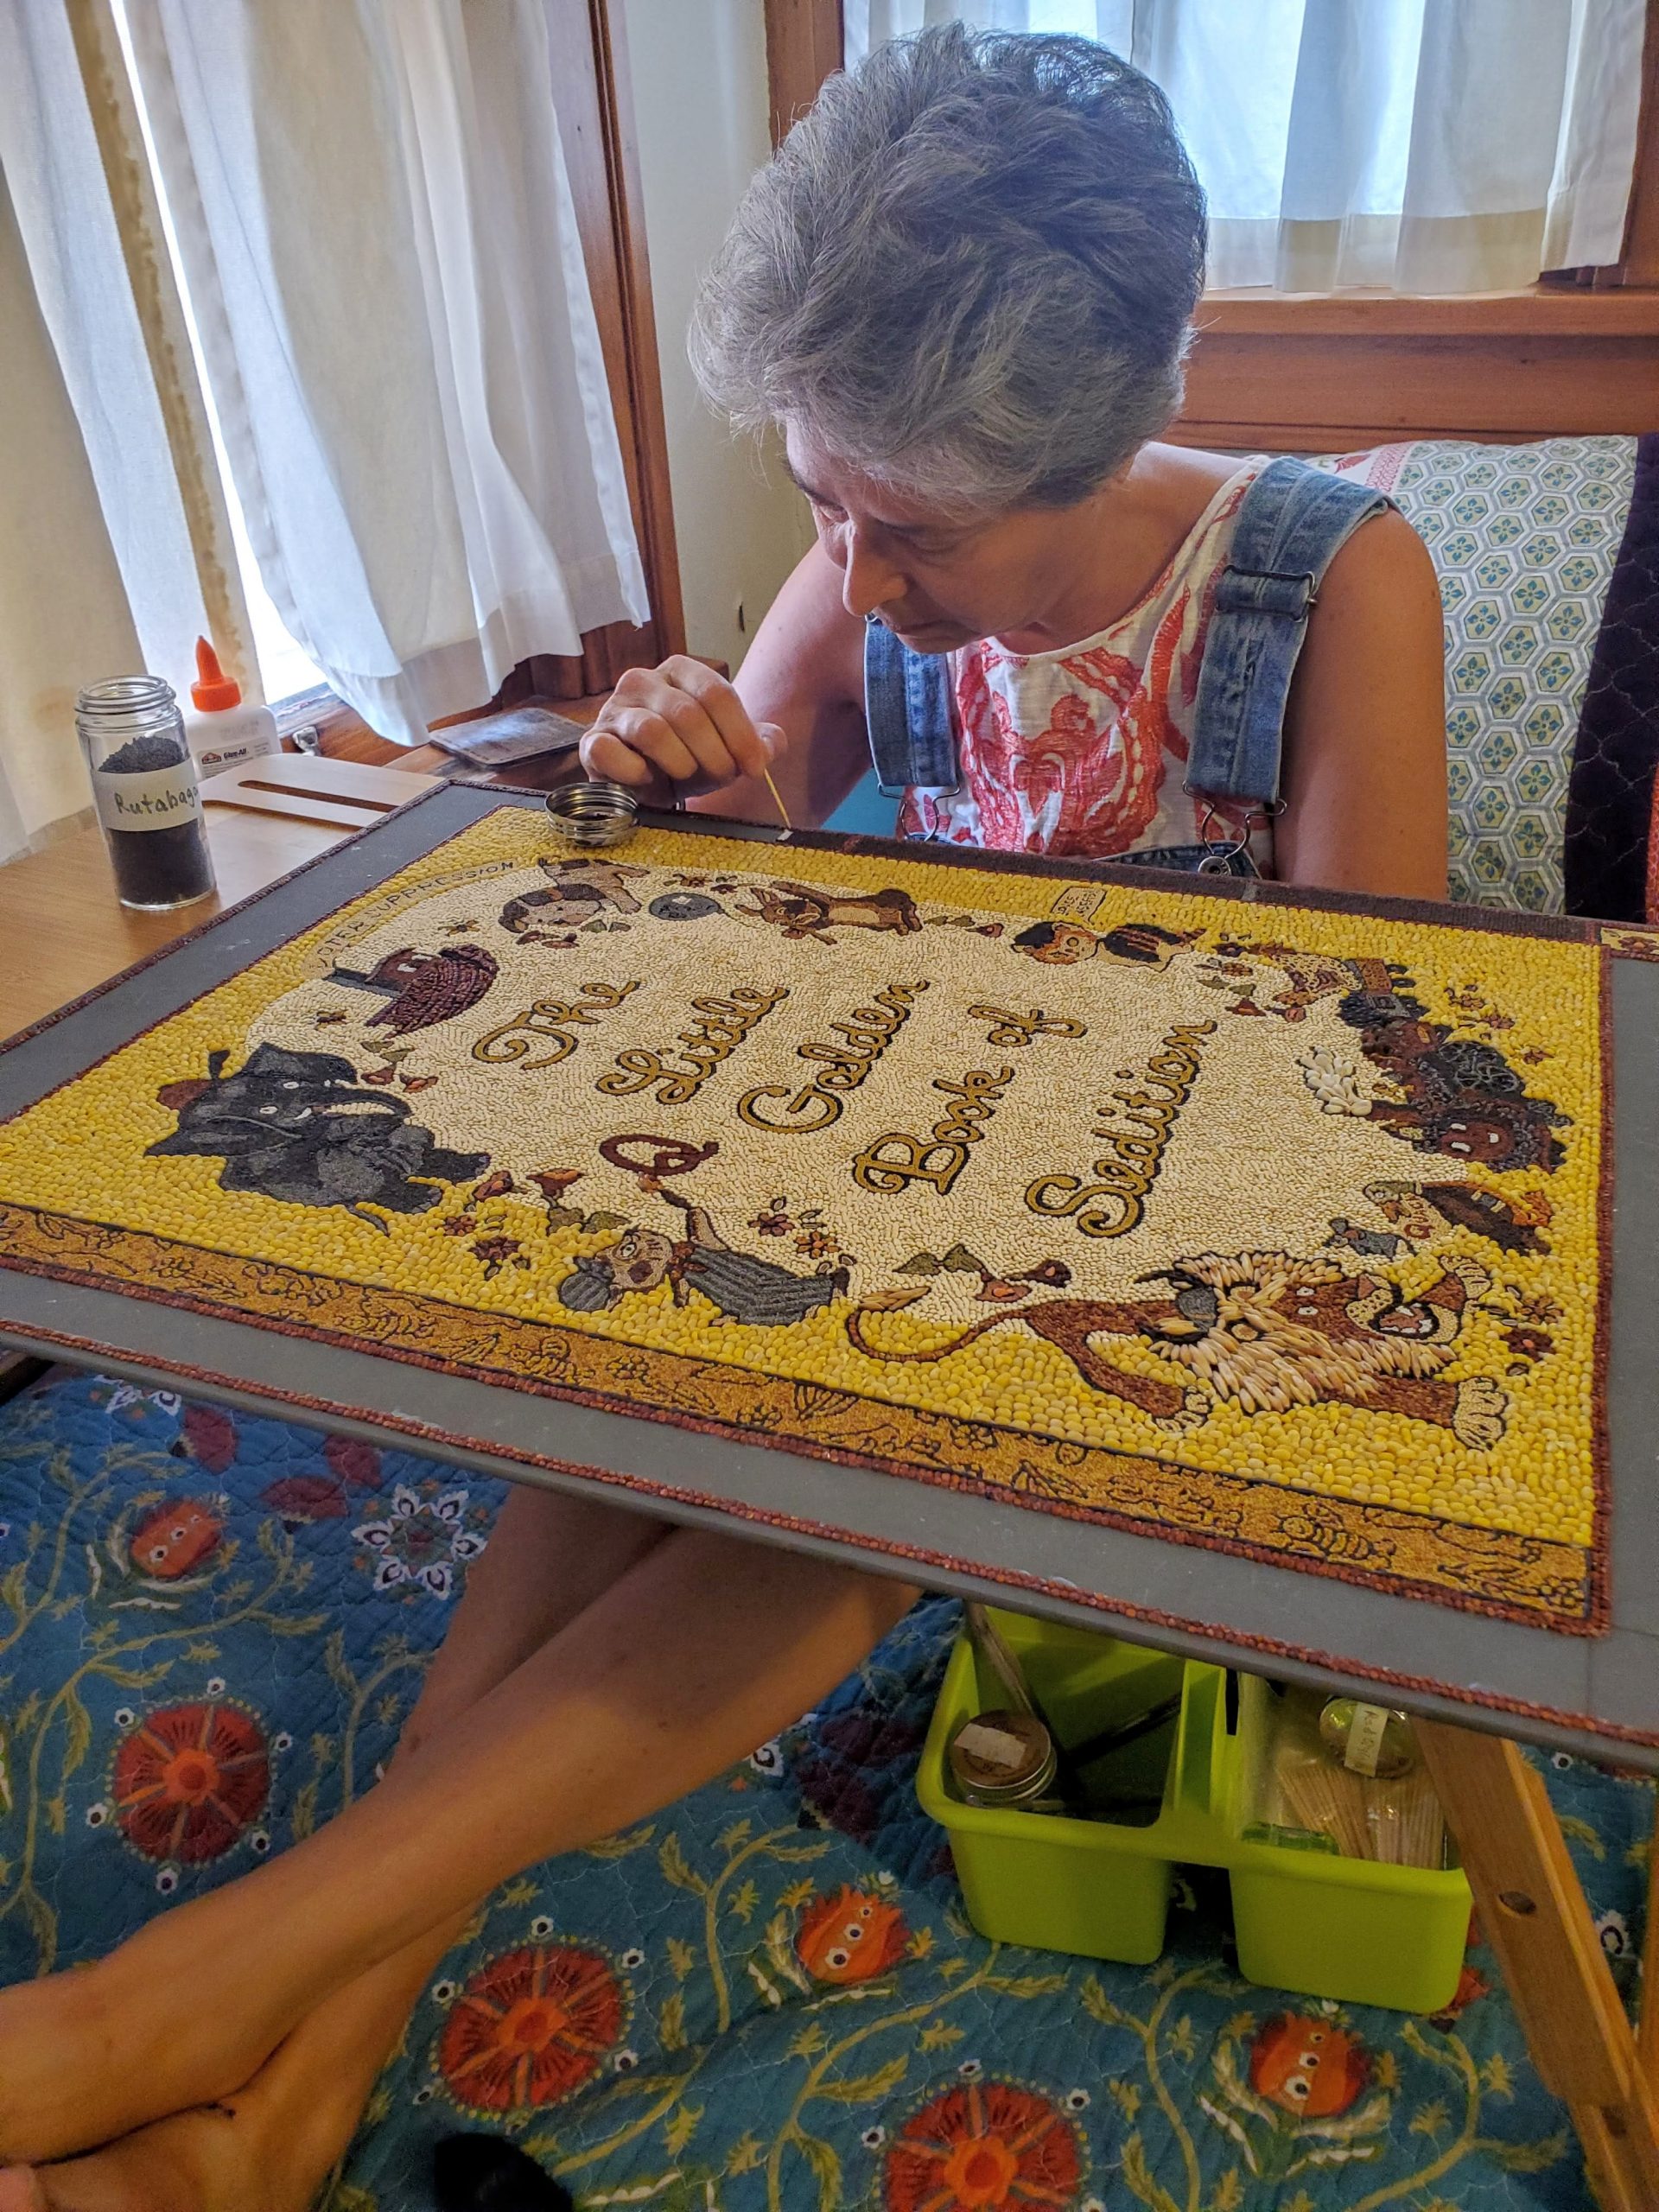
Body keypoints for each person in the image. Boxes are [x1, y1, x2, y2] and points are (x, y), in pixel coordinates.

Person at [0, 26, 1446, 2211]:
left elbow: (1370, 1057)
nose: (854, 580)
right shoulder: (868, 547)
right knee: (646, 1392)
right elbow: (708, 877)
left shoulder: (1331, 585)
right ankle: (294, 2091)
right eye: (822, 506)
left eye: (913, 534)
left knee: (842, 1466)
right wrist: (689, 777)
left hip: (1129, 1301)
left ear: (1095, 445)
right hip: (862, 1196)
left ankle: (160, 2013)